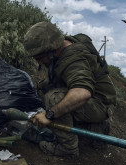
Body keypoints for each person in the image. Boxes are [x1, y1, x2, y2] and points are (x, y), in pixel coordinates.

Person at [23, 22, 116, 157]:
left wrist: (49, 114)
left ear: (52, 50)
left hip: (101, 105)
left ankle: (68, 148)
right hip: (98, 99)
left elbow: (82, 92)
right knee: (45, 86)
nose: (39, 63)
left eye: (40, 57)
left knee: (53, 98)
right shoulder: (65, 42)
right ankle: (95, 129)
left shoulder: (74, 60)